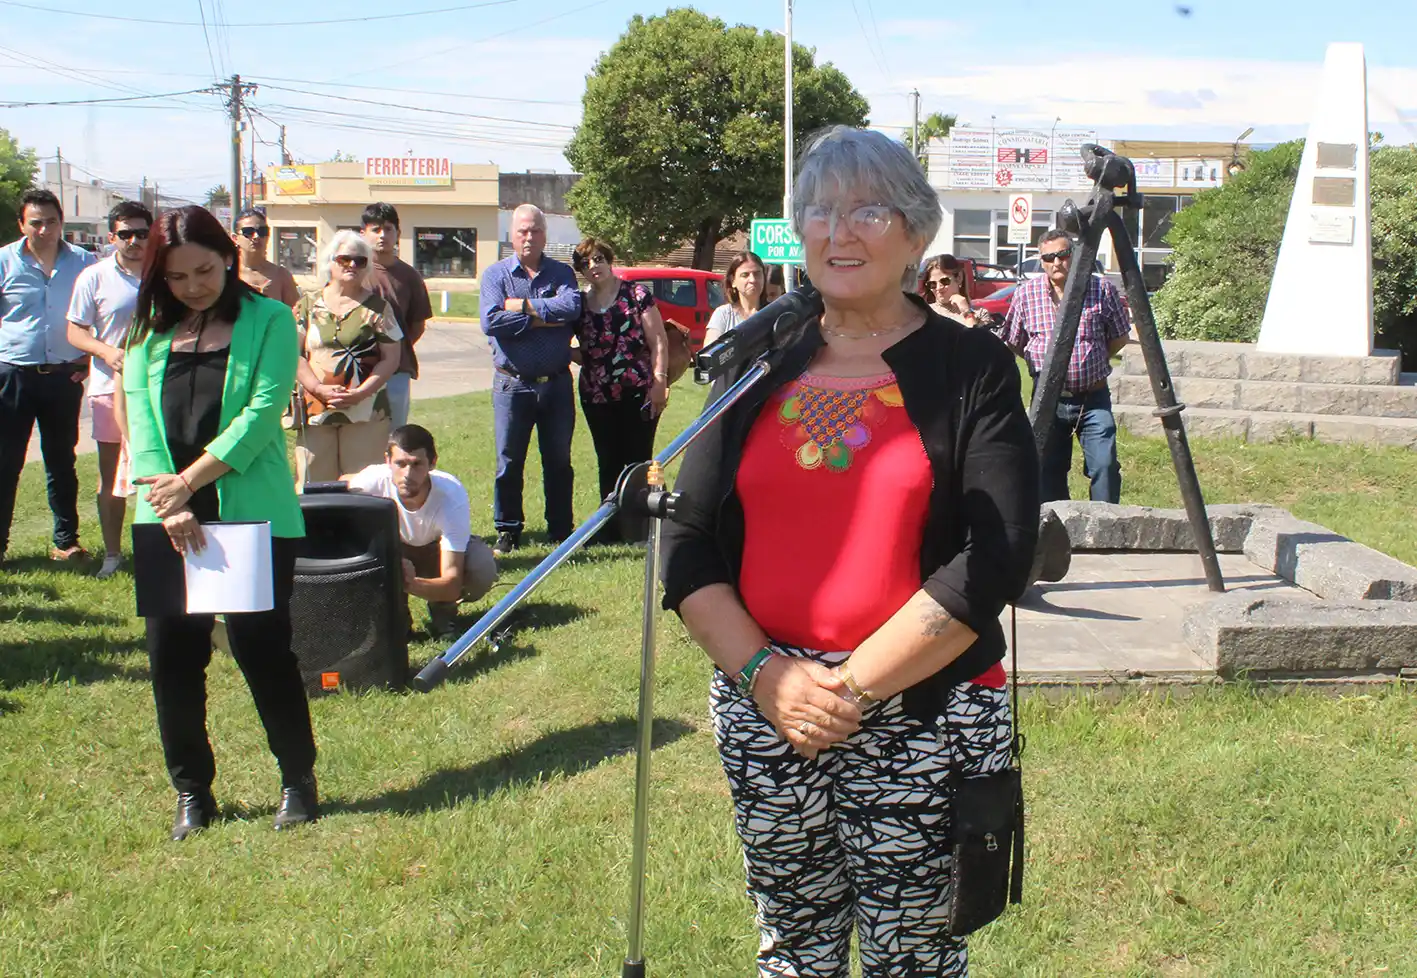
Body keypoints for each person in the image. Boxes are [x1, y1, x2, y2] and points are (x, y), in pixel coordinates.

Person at [662, 126, 1039, 978]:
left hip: (922, 711)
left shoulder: (971, 365)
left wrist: (847, 691)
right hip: (766, 705)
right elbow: (686, 540)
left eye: (868, 211)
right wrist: (767, 677)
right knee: (793, 947)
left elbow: (998, 551)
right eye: (820, 212)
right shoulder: (756, 359)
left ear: (913, 233)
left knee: (914, 957)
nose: (839, 233)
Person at [121, 205, 318, 840]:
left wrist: (190, 482)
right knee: (172, 659)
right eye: (177, 277)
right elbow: (140, 420)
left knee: (262, 650)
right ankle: (192, 791)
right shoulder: (147, 332)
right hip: (166, 516)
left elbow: (262, 414)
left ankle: (297, 779)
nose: (193, 287)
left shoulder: (271, 319)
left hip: (246, 514)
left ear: (229, 258)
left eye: (204, 271)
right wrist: (171, 499)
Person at [996, 228, 1131, 503]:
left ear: (1074, 254)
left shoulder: (1101, 289)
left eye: (1063, 254)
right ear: (1041, 260)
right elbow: (1013, 341)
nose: (1056, 262)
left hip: (1092, 398)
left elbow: (1120, 336)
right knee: (1047, 469)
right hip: (1048, 400)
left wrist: (1091, 360)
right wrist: (1039, 361)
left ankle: (1105, 522)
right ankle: (1056, 524)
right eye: (1049, 257)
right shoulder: (1026, 294)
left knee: (1104, 466)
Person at [478, 203, 582, 555]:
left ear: (544, 236)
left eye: (535, 230)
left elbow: (571, 308)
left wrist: (520, 307)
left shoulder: (561, 273)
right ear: (512, 235)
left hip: (556, 384)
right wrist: (543, 316)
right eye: (523, 230)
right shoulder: (495, 275)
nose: (529, 237)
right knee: (508, 461)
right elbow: (491, 321)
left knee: (558, 460)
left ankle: (560, 530)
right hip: (512, 384)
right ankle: (508, 529)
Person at [0, 188, 96, 564]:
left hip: (63, 377)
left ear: (61, 223)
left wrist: (87, 359)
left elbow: (97, 316)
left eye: (51, 222)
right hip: (13, 376)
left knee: (61, 462)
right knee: (6, 462)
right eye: (36, 223)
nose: (44, 230)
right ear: (22, 224)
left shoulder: (84, 262)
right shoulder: (4, 261)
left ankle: (66, 542)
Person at [343, 424, 497, 639]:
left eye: (417, 464)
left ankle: (443, 611)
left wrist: (410, 583)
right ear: (387, 461)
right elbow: (339, 487)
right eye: (400, 464)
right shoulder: (371, 482)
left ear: (432, 463)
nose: (407, 474)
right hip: (395, 548)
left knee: (481, 568)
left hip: (436, 548)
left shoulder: (451, 495)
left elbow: (452, 582)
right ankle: (397, 617)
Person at [65, 200, 152, 578]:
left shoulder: (167, 274)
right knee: (113, 474)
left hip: (159, 388)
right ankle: (113, 555)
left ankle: (162, 548)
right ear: (112, 236)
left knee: (160, 469)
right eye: (125, 234)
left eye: (141, 234)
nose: (134, 241)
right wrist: (106, 352)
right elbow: (75, 330)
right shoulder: (94, 277)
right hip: (108, 388)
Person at [569, 237, 670, 544]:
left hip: (639, 392)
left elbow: (658, 341)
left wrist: (660, 381)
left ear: (609, 260)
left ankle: (640, 528)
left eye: (598, 259)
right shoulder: (579, 304)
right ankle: (609, 528)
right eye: (586, 263)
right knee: (608, 460)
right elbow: (582, 349)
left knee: (638, 460)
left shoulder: (637, 295)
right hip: (597, 395)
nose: (593, 266)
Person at [293, 230, 403, 485]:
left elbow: (391, 359)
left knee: (362, 485)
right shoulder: (307, 305)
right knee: (313, 483)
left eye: (360, 260)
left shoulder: (379, 308)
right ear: (330, 261)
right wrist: (317, 388)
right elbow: (293, 354)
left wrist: (360, 393)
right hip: (316, 411)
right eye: (345, 259)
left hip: (366, 412)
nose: (352, 265)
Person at [362, 202, 432, 428]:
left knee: (393, 436)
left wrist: (392, 351)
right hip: (356, 370)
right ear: (363, 233)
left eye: (388, 229)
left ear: (398, 234)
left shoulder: (410, 276)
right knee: (356, 437)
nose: (382, 235)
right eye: (375, 229)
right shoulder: (352, 271)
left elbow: (417, 325)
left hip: (397, 370)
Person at [231, 206, 299, 308]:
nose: (256, 236)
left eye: (262, 231)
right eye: (248, 232)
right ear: (235, 238)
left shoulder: (281, 276)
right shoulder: (228, 276)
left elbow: (294, 314)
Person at [702, 251, 766, 346]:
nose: (753, 280)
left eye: (757, 274)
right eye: (745, 275)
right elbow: (710, 351)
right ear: (733, 281)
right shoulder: (723, 314)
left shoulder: (775, 312)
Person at [922, 253, 990, 327]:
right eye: (932, 284)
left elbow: (975, 334)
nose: (938, 288)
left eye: (944, 281)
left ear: (959, 278)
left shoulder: (980, 314)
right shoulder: (926, 314)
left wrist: (967, 313)